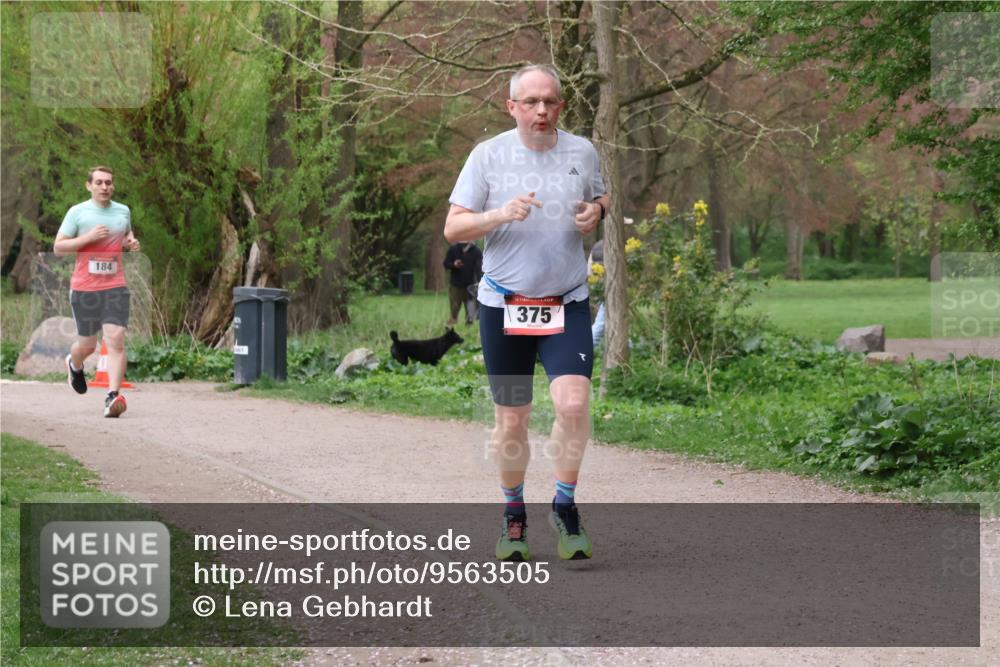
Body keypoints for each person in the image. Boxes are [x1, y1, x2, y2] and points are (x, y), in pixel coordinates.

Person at [444, 64, 608, 561]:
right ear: (511, 106)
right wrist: (499, 214)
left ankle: (564, 505)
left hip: (567, 304)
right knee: (512, 423)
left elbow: (599, 195)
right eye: (531, 102)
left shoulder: (582, 150)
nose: (542, 110)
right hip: (505, 308)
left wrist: (595, 212)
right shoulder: (488, 155)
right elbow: (454, 229)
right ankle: (513, 515)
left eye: (551, 101)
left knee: (574, 406)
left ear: (561, 105)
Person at [54, 166, 140, 418]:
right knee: (88, 346)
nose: (105, 187)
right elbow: (59, 247)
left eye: (109, 183)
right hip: (84, 288)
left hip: (115, 286)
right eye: (99, 182)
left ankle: (113, 396)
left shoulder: (122, 211)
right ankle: (74, 363)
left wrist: (130, 242)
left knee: (115, 340)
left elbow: (125, 233)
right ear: (89, 185)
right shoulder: (77, 213)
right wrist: (88, 238)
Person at [444, 241, 482, 325]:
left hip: (471, 286)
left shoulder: (477, 251)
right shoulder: (453, 249)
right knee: (454, 309)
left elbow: (479, 268)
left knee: (471, 311)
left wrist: (480, 283)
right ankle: (452, 324)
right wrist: (454, 264)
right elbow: (446, 264)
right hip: (455, 285)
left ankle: (469, 326)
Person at [589, 240, 606, 347]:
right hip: (603, 285)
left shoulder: (598, 245)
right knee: (600, 323)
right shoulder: (608, 245)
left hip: (598, 284)